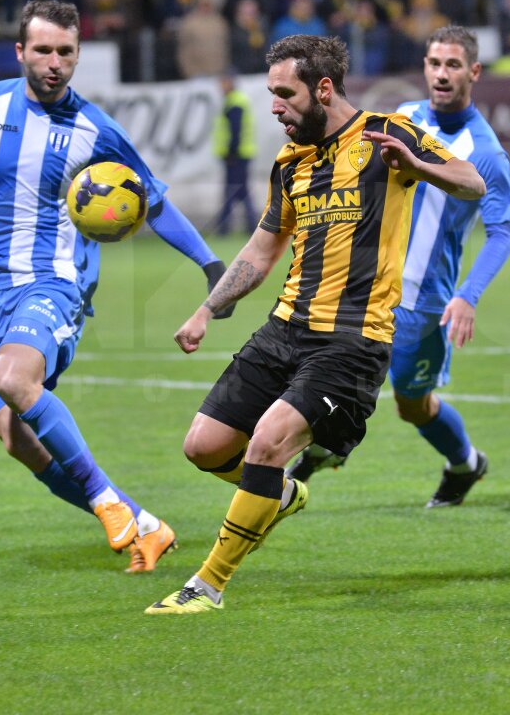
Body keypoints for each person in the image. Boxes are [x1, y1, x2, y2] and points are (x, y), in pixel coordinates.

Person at [0, 0, 230, 573]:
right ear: (20, 52)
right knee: (17, 441)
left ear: (77, 55)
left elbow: (154, 203)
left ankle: (107, 502)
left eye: (66, 51)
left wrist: (210, 266)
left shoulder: (97, 129)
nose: (54, 62)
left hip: (53, 284)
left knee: (13, 377)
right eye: (43, 50)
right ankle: (143, 522)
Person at [145, 35, 485, 614]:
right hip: (285, 328)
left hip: (353, 339)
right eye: (271, 93)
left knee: (268, 442)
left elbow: (472, 182)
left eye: (285, 93)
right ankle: (278, 496)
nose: (274, 106)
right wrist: (209, 309)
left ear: (323, 89)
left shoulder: (386, 135)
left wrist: (419, 168)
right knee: (203, 447)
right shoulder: (290, 160)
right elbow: (261, 248)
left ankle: (206, 586)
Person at [286, 26, 510, 510]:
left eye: (453, 65)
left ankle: (465, 463)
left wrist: (467, 295)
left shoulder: (486, 154)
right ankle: (321, 448)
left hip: (423, 302)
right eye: (434, 63)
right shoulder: (403, 118)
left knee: (413, 406)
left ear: (473, 72)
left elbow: (502, 234)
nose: (441, 74)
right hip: (364, 284)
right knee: (332, 373)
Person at [212, 70, 259, 235]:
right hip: (241, 154)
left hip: (237, 155)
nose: (221, 86)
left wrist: (231, 152)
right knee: (241, 191)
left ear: (230, 82)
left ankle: (224, 227)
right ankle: (252, 226)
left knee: (232, 191)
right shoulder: (235, 101)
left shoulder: (234, 102)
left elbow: (235, 130)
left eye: (223, 82)